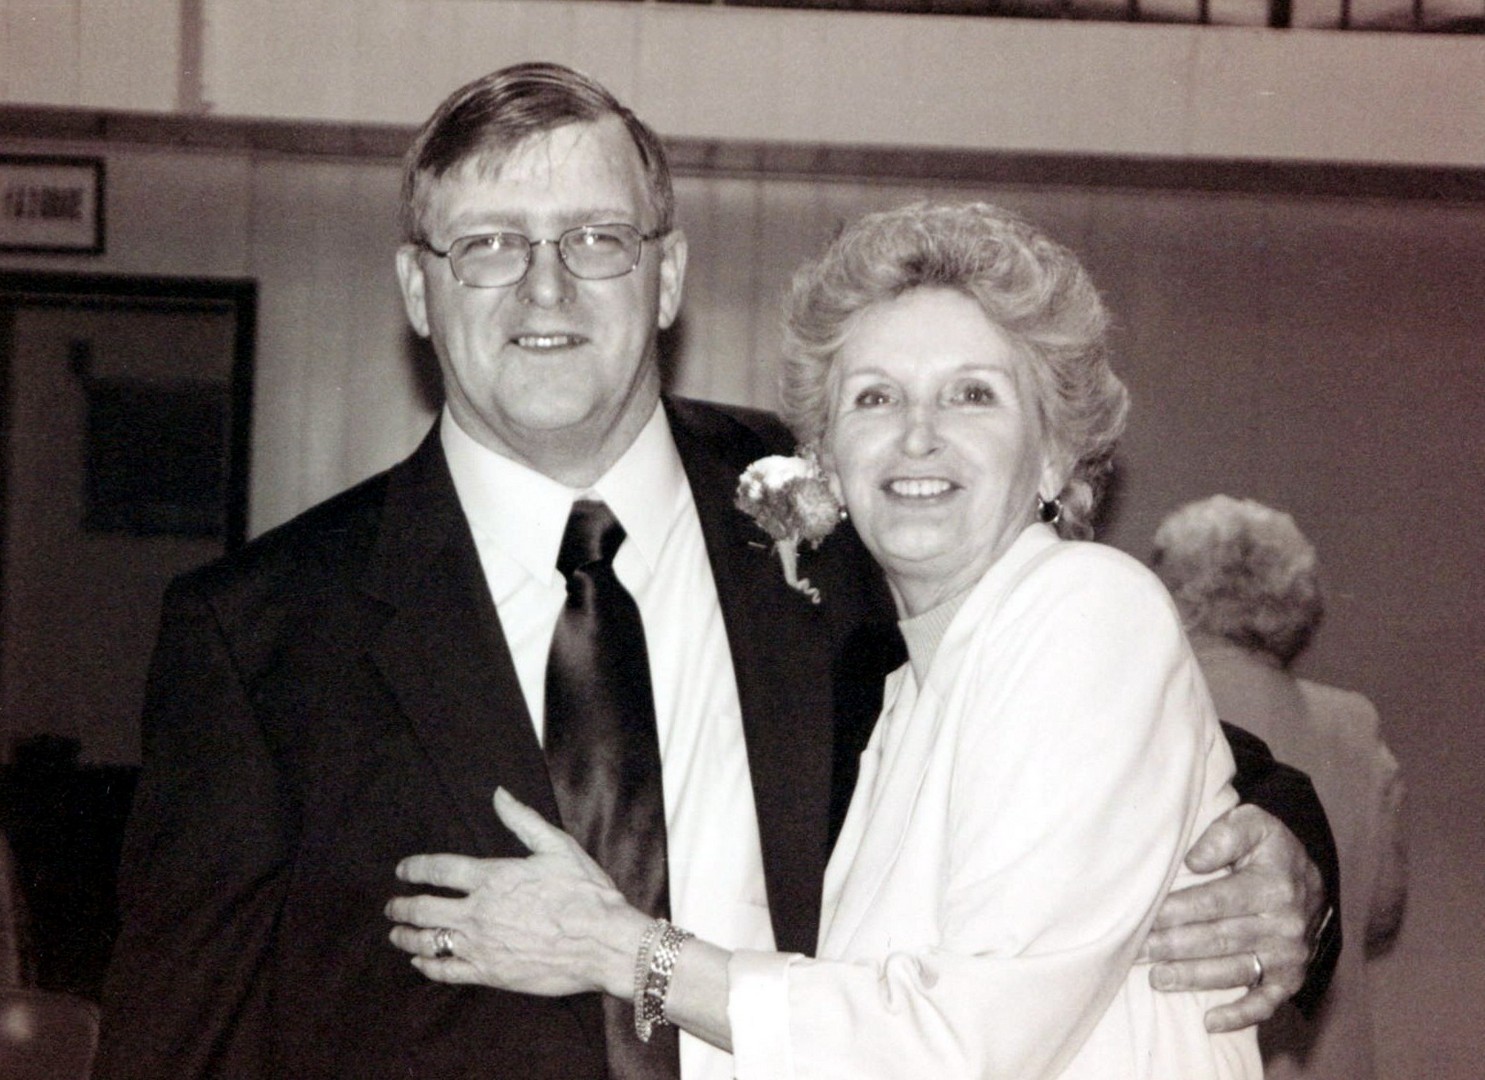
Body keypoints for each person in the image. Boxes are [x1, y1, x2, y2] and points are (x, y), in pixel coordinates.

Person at [97, 63, 1334, 1079]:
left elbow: (1132, 740)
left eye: (597, 238)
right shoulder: (259, 634)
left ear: (669, 275)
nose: (545, 286)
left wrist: (1287, 858)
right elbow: (179, 1042)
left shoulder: (856, 513)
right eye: (488, 244)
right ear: (419, 289)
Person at [381, 200, 1294, 1077]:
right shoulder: (901, 690)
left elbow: (955, 1050)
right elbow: (831, 1044)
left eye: (972, 395)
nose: (917, 437)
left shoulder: (1088, 608)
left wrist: (622, 949)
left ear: (1055, 453)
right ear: (824, 463)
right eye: (875, 398)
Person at [1151, 495, 1408, 1080]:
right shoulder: (1355, 724)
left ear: (1177, 592)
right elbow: (1381, 915)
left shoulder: (1156, 706)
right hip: (1329, 1058)